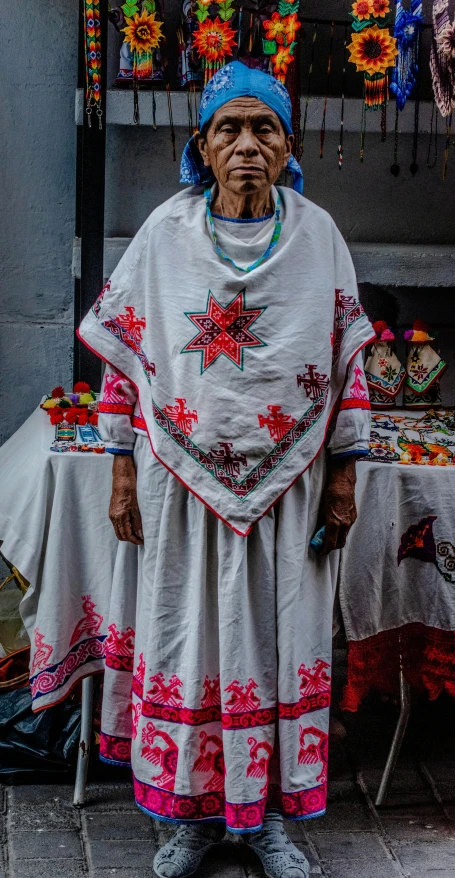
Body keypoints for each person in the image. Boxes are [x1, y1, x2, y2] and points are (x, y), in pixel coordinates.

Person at [78, 60, 374, 878]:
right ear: (201, 147)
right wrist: (121, 471)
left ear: (288, 146)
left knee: (280, 644)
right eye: (228, 130)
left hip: (291, 491)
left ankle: (267, 822)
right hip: (180, 487)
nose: (247, 145)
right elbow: (124, 365)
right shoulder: (164, 237)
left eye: (264, 129)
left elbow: (348, 365)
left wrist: (345, 479)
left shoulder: (319, 237)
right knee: (188, 642)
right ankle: (194, 821)